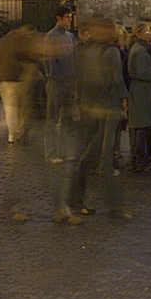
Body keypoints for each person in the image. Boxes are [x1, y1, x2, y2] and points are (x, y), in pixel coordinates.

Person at [59, 19, 130, 221]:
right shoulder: (110, 51)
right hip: (106, 110)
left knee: (85, 158)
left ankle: (76, 201)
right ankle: (115, 206)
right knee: (105, 158)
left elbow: (76, 79)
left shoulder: (82, 50)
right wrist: (124, 101)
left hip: (88, 109)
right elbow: (116, 79)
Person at [42, 6, 77, 161]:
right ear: (59, 18)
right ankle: (51, 153)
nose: (70, 20)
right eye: (67, 17)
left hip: (69, 82)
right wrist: (53, 77)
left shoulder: (70, 37)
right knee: (53, 119)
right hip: (56, 82)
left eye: (70, 17)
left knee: (68, 119)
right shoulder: (50, 37)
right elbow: (49, 61)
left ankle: (65, 151)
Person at [0, 24, 37, 146]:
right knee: (16, 108)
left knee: (10, 108)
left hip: (2, 79)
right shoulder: (18, 40)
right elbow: (26, 56)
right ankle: (15, 134)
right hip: (14, 78)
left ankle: (12, 134)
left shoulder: (2, 42)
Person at [125, 23, 151, 172]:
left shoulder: (138, 49)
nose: (148, 33)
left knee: (139, 125)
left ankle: (138, 159)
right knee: (141, 126)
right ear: (139, 33)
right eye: (146, 31)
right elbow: (142, 73)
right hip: (142, 92)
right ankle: (140, 161)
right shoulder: (140, 51)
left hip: (141, 90)